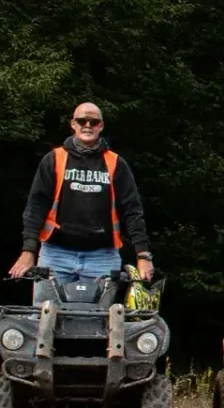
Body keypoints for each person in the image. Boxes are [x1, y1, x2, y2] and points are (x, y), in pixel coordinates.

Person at [8, 102, 153, 283]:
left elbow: (132, 211)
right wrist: (28, 251)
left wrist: (143, 256)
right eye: (82, 121)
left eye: (93, 122)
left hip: (103, 257)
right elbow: (36, 207)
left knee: (102, 313)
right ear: (73, 124)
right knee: (46, 311)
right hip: (55, 255)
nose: (87, 126)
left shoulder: (116, 163)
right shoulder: (54, 159)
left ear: (101, 126)